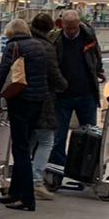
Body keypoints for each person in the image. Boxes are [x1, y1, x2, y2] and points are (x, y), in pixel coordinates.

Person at [0, 18, 54, 212]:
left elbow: (2, 74)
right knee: (23, 147)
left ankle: (26, 199)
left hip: (20, 101)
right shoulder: (39, 46)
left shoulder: (14, 46)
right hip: (38, 102)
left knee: (21, 150)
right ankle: (15, 193)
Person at [47, 10, 107, 183]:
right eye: (68, 28)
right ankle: (57, 173)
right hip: (62, 96)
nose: (71, 31)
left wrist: (99, 70)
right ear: (62, 25)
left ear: (79, 24)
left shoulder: (88, 35)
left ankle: (85, 174)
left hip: (86, 94)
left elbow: (96, 54)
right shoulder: (56, 40)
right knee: (59, 137)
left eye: (74, 27)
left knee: (89, 136)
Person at [29, 14, 67, 200]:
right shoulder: (46, 47)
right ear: (50, 29)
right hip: (43, 101)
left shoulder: (24, 43)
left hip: (23, 101)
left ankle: (21, 178)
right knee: (46, 141)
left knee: (28, 142)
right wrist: (64, 85)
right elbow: (55, 76)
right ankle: (36, 181)